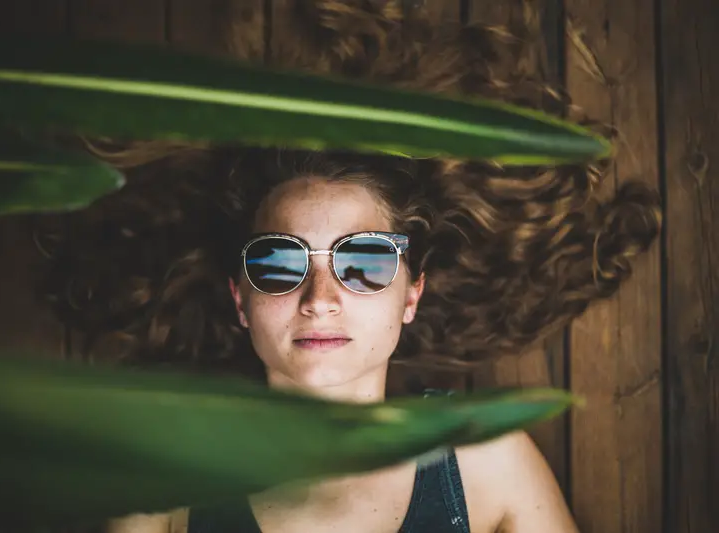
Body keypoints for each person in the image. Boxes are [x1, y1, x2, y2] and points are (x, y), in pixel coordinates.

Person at [38, 2, 661, 532]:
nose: (320, 296)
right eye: (279, 262)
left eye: (363, 260)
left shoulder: (485, 460)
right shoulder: (166, 474)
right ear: (239, 299)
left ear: (411, 295)